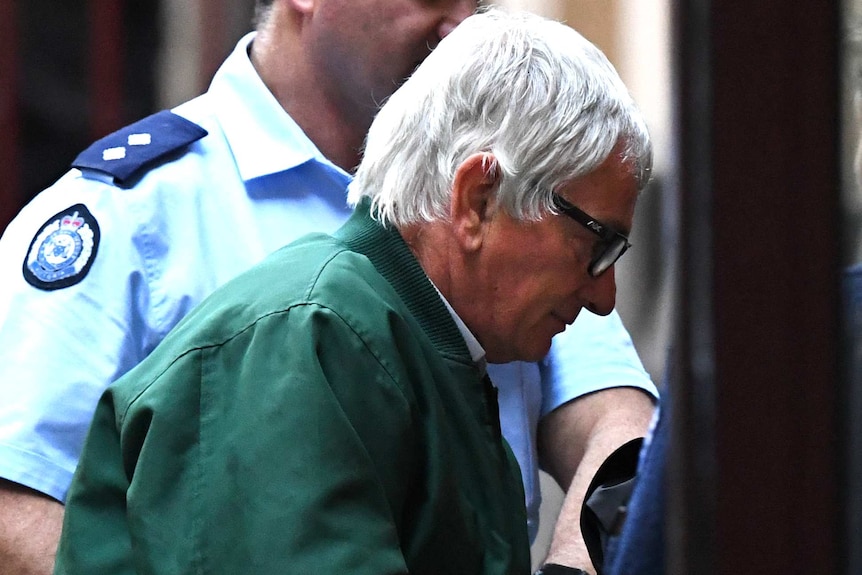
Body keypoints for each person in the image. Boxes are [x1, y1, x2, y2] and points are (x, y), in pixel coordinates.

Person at [0, 1, 657, 573]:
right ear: (473, 201)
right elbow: (15, 507)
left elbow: (622, 435)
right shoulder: (138, 213)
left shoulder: (521, 209)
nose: (461, 22)